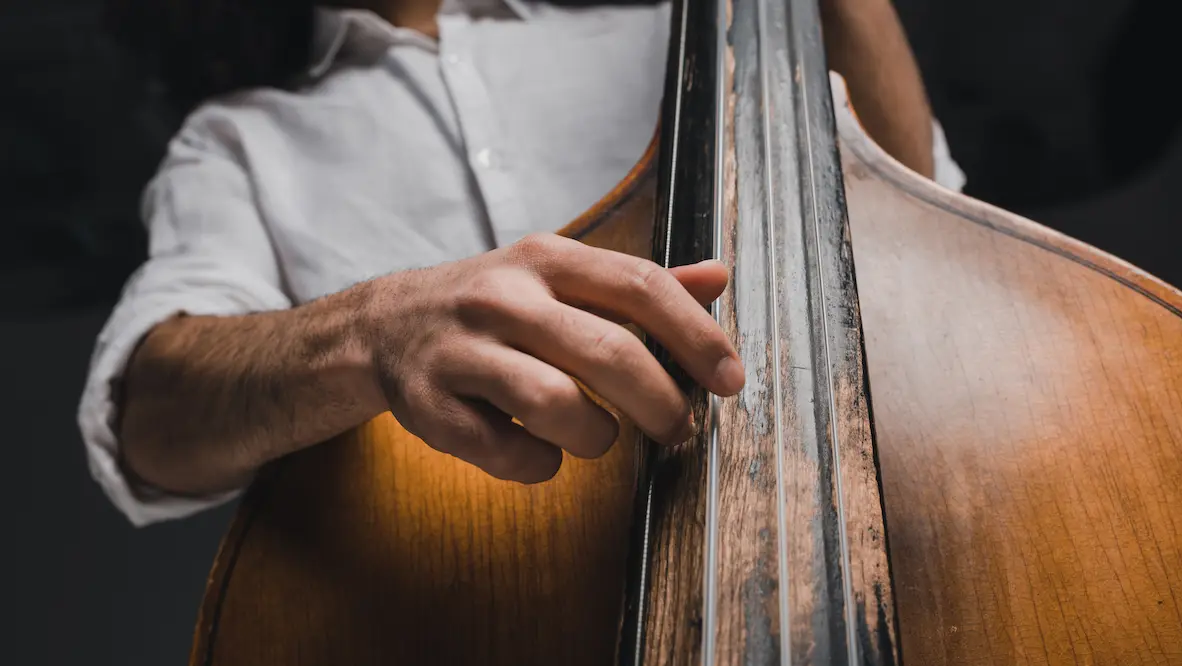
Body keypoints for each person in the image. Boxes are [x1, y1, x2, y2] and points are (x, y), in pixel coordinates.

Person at [80, 0, 965, 527]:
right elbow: (148, 423)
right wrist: (370, 328)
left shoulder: (686, 22)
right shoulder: (236, 140)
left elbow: (919, 231)